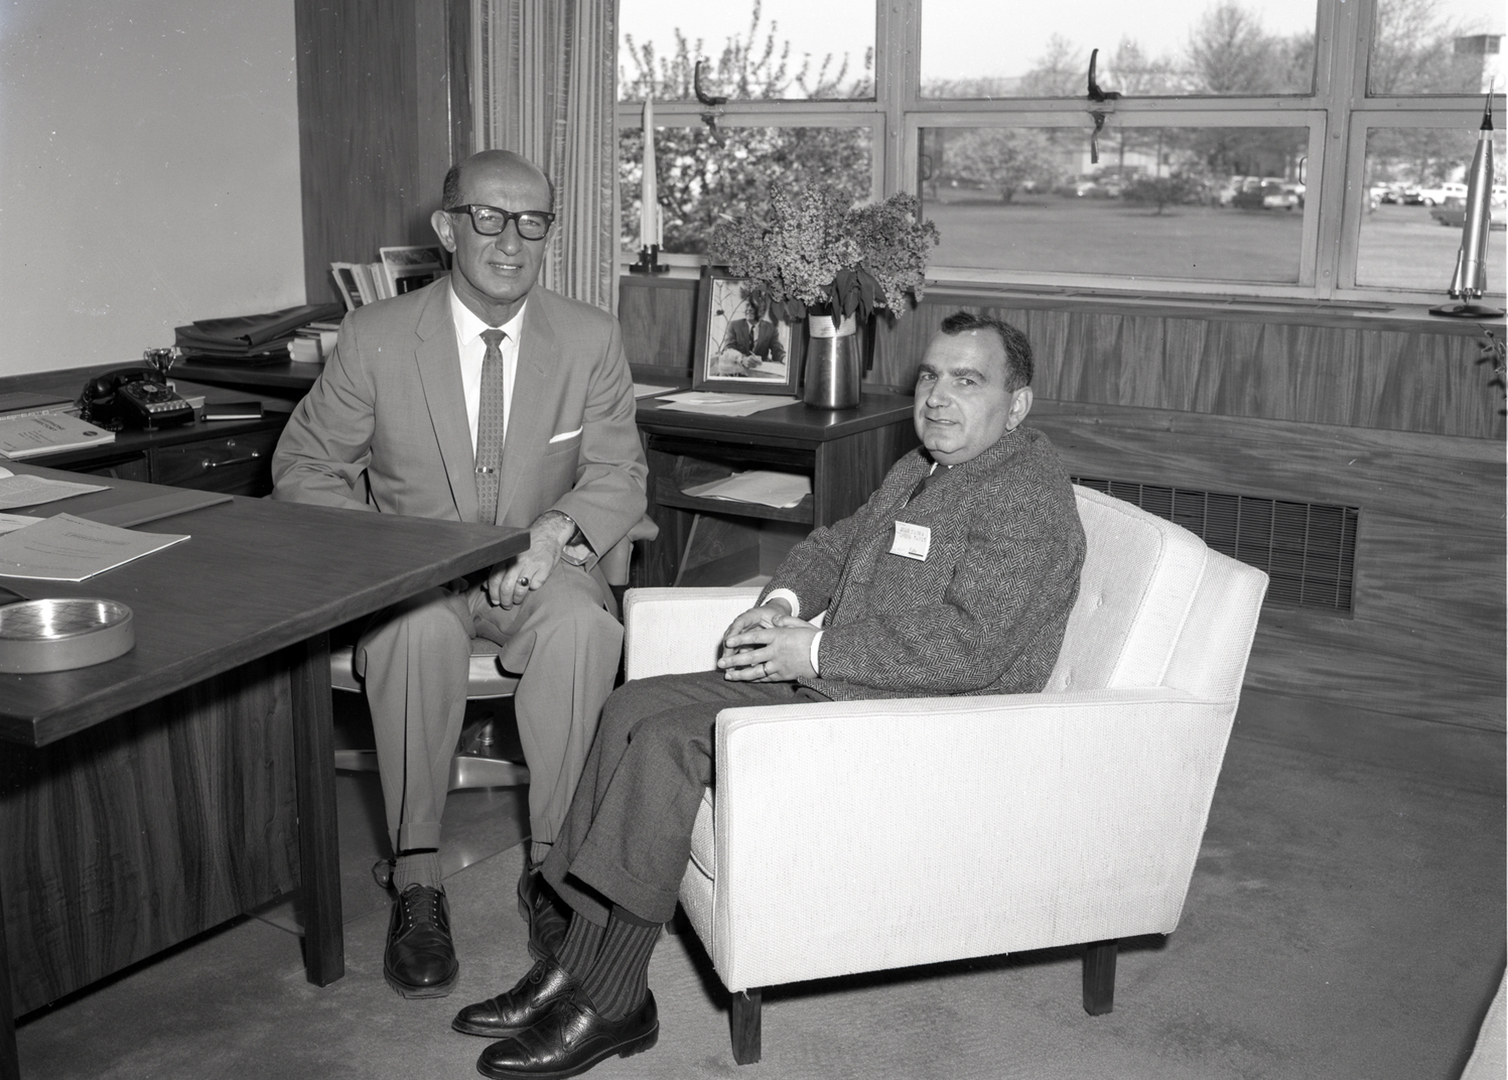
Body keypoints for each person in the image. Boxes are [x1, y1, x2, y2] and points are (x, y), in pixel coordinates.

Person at [450, 311, 1087, 1079]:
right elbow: (834, 545)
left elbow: (968, 649)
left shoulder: (1026, 499)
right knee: (627, 707)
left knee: (667, 742)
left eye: (967, 381)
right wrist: (782, 605)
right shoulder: (924, 467)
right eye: (929, 377)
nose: (938, 397)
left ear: (1017, 405)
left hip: (921, 726)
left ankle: (616, 1001)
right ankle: (572, 963)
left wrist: (812, 647)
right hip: (844, 685)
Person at [271, 149, 651, 1001]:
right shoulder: (374, 338)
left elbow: (620, 474)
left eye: (533, 221)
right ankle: (417, 876)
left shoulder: (588, 336)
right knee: (411, 631)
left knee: (586, 628)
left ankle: (556, 873)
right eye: (488, 217)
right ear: (446, 228)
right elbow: (303, 469)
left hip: (539, 571)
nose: (511, 241)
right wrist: (398, 556)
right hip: (417, 574)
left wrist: (553, 535)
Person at [711, 299, 785, 376]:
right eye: (747, 305)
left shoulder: (771, 328)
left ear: (762, 311)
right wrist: (742, 359)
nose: (749, 309)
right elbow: (728, 348)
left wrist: (785, 359)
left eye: (753, 306)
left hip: (760, 372)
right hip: (736, 371)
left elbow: (777, 351)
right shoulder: (734, 325)